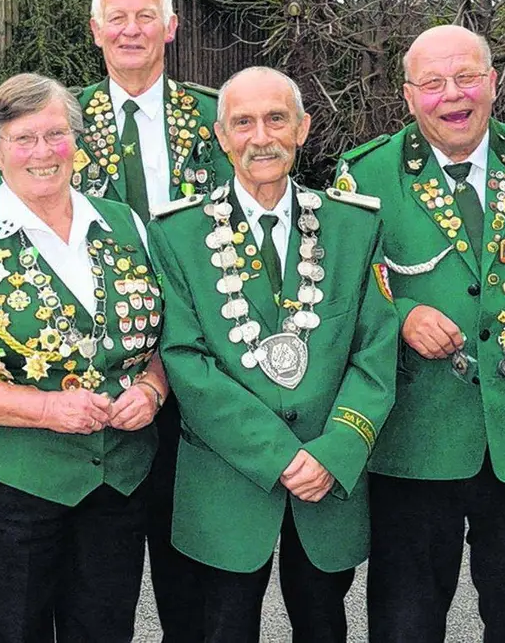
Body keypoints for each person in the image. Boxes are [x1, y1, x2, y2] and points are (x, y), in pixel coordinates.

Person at [334, 25, 505, 643]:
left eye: (466, 77)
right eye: (433, 83)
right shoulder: (368, 174)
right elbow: (340, 295)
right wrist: (402, 314)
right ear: (409, 95)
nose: (452, 95)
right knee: (405, 623)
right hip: (414, 433)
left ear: (493, 82)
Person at [0, 73, 171, 643]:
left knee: (105, 632)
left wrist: (152, 390)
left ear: (76, 142)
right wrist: (45, 410)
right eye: (24, 139)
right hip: (11, 487)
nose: (43, 152)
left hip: (118, 483)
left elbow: (166, 340)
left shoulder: (125, 224)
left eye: (56, 135)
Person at [148, 66, 397, 642]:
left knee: (323, 624)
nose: (260, 137)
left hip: (326, 477)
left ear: (302, 129)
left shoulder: (353, 225)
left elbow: (375, 350)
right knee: (222, 627)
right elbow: (185, 359)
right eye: (243, 123)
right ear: (221, 137)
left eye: (276, 119)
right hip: (228, 479)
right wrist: (278, 455)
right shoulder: (177, 234)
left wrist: (336, 451)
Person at [74, 0, 235, 639]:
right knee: (97, 576)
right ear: (95, 30)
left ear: (171, 27)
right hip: (100, 370)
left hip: (203, 359)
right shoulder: (61, 122)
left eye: (146, 16)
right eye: (117, 17)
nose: (131, 30)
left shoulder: (218, 116)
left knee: (192, 565)